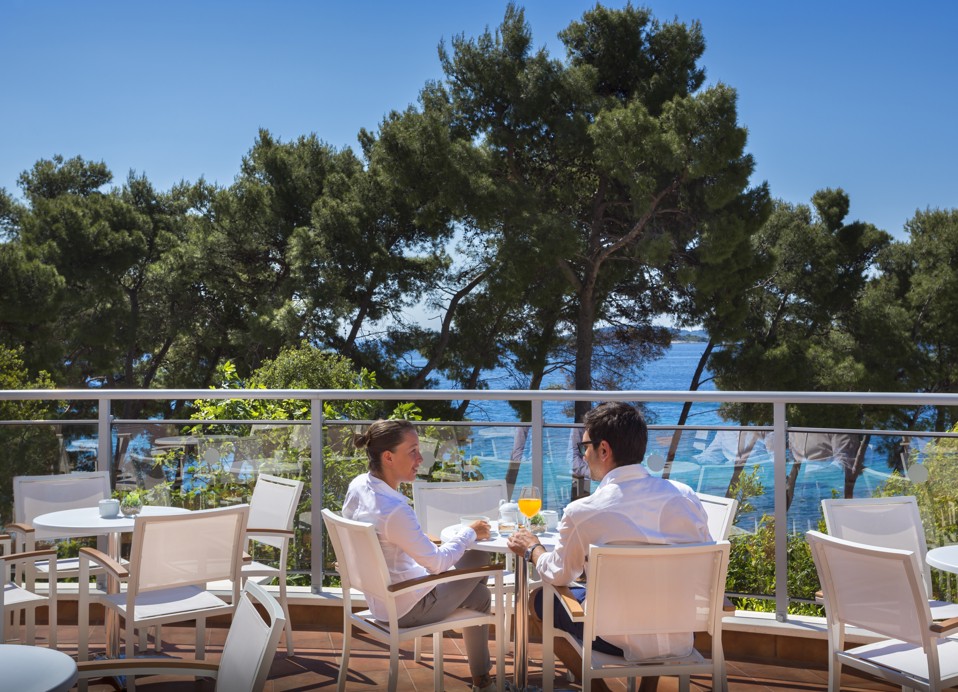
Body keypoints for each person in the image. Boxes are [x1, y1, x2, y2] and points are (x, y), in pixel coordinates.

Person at [507, 402, 710, 691]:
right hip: (679, 634)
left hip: (614, 638)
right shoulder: (685, 496)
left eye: (584, 447)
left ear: (604, 450)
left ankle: (599, 690)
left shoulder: (584, 511)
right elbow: (705, 567)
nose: (583, 454)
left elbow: (559, 575)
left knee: (540, 600)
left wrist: (533, 549)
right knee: (652, 590)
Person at [341, 419, 500, 692]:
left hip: (380, 599)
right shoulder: (394, 509)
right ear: (388, 457)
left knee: (480, 597)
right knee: (477, 557)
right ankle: (483, 680)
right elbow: (437, 563)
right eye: (412, 450)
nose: (420, 457)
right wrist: (470, 532)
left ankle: (482, 680)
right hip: (406, 607)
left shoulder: (359, 486)